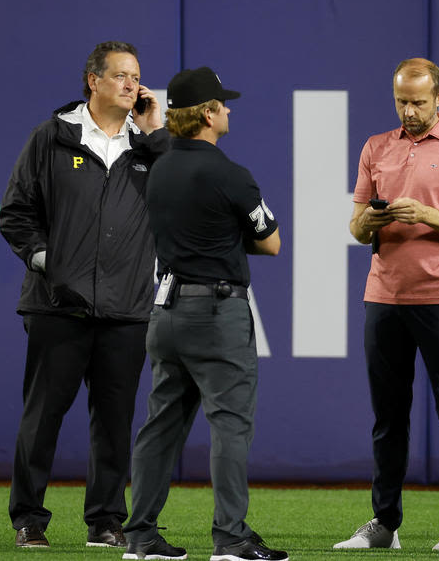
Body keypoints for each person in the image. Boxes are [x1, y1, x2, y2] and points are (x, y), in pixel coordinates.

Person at [0, 41, 169, 549]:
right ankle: (28, 518)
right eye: (120, 76)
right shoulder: (51, 137)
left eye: (136, 77)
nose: (132, 85)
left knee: (114, 424)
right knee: (43, 417)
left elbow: (181, 192)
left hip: (127, 308)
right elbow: (16, 213)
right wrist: (46, 262)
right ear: (92, 80)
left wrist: (157, 133)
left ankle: (106, 521)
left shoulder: (148, 148)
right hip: (58, 305)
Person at [123, 66, 286, 561]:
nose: (229, 110)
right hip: (216, 312)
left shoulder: (158, 168)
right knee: (230, 424)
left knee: (160, 425)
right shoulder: (230, 173)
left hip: (166, 311)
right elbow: (271, 243)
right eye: (223, 104)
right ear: (209, 114)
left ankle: (140, 537)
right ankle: (231, 537)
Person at [335, 58, 439, 552]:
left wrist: (424, 212)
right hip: (384, 297)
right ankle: (385, 523)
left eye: (419, 101)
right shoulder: (375, 147)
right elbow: (356, 227)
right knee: (388, 416)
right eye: (402, 100)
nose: (409, 110)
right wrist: (374, 221)